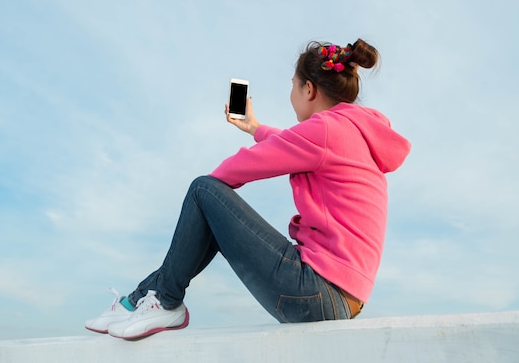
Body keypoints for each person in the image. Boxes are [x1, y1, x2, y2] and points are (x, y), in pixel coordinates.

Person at [85, 39, 411, 340]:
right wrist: (255, 128)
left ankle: (164, 302)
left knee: (203, 190)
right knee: (209, 204)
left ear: (309, 89)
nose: (292, 95)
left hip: (317, 292)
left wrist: (204, 205)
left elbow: (242, 168)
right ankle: (138, 300)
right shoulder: (352, 131)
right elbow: (296, 144)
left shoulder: (325, 130)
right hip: (341, 298)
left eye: (293, 87)